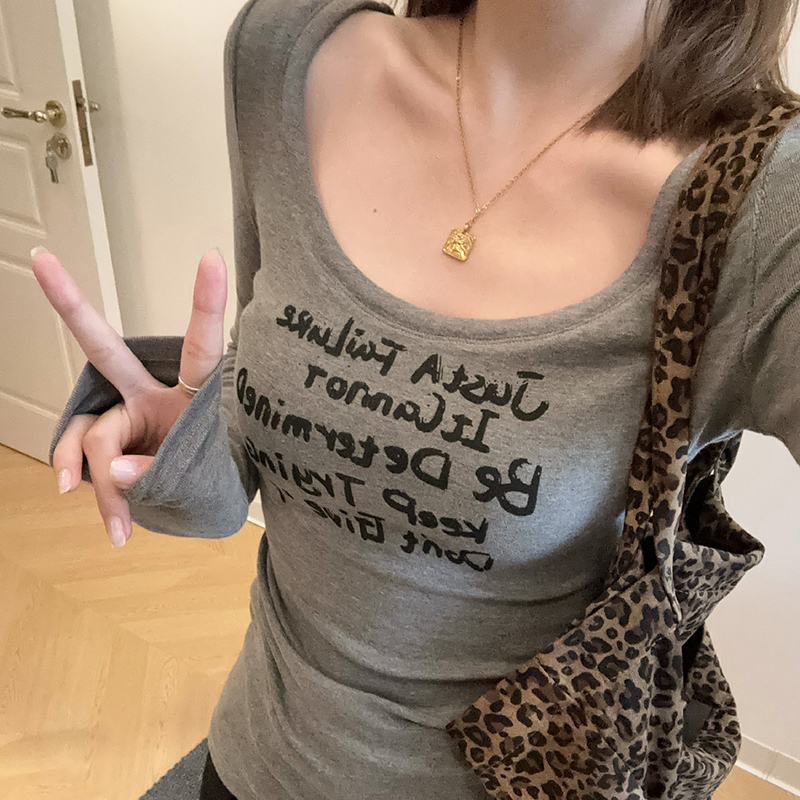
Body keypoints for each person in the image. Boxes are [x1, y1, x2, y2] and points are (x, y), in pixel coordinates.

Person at [32, 0, 800, 797]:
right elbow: (257, 464)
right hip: (252, 763)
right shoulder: (283, 52)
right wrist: (186, 446)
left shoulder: (770, 209)